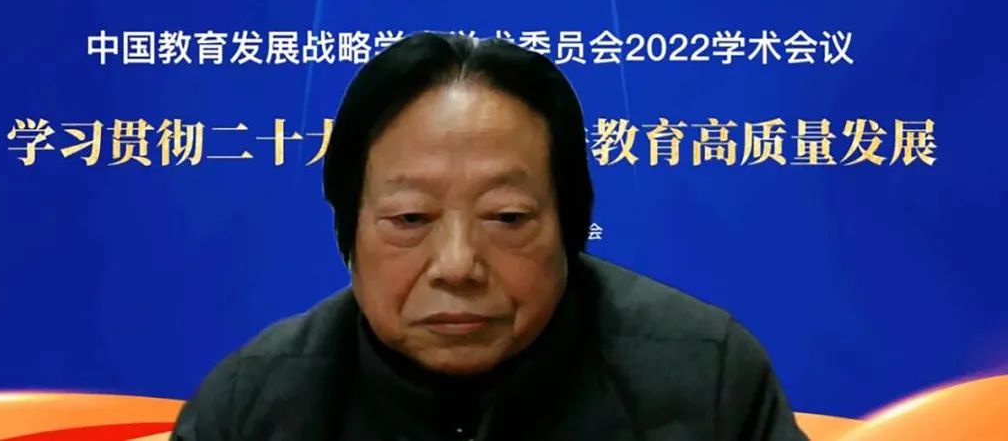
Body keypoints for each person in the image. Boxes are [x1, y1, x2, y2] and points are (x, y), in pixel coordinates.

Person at [171, 32, 809, 441]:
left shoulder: (706, 378)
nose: (457, 265)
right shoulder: (253, 405)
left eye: (506, 217)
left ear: (570, 226)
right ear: (350, 231)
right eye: (410, 219)